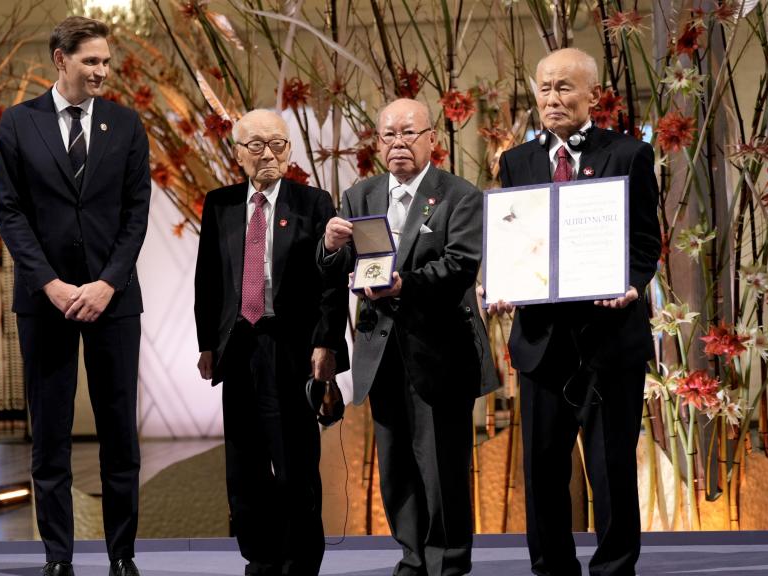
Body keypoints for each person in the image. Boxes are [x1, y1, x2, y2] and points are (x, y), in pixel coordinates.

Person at [483, 48, 661, 576]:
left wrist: (629, 284)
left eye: (565, 87)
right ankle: (551, 567)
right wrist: (502, 282)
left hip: (608, 340)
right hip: (540, 342)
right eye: (544, 87)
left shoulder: (627, 154)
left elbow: (646, 242)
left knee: (610, 469)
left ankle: (614, 568)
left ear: (592, 95)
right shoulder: (517, 161)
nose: (553, 98)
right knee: (541, 470)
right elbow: (514, 240)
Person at [0, 16, 150, 576]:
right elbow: (10, 213)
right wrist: (53, 285)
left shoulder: (127, 125)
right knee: (50, 437)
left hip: (114, 301)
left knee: (119, 437)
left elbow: (136, 216)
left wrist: (106, 283)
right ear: (60, 60)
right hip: (46, 303)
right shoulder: (18, 123)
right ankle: (58, 557)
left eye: (106, 62)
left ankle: (122, 555)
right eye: (91, 62)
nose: (102, 72)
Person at [319, 98, 499, 576]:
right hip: (380, 352)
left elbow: (460, 264)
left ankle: (449, 561)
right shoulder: (360, 195)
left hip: (440, 349)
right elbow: (340, 272)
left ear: (431, 140)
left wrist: (406, 284)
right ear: (378, 143)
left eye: (408, 133)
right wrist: (329, 246)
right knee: (395, 464)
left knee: (441, 465)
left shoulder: (459, 195)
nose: (398, 143)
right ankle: (412, 557)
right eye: (389, 135)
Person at [195, 109, 348, 576]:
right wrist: (207, 344)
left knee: (296, 459)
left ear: (289, 150)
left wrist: (327, 343)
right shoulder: (219, 204)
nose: (268, 154)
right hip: (237, 346)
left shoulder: (313, 202)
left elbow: (331, 282)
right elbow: (208, 281)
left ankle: (301, 559)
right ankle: (260, 554)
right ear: (238, 153)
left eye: (278, 144)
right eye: (256, 145)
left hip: (291, 346)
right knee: (244, 464)